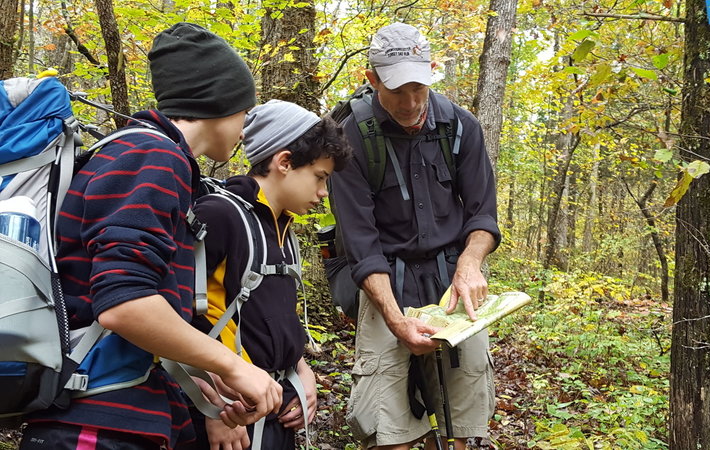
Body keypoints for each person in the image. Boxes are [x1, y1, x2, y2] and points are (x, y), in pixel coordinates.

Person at [20, 23, 283, 450]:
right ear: (215, 101)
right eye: (243, 110)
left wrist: (207, 376)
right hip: (96, 425)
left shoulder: (151, 156)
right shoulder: (154, 156)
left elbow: (137, 317)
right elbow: (124, 306)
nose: (246, 125)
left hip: (116, 416)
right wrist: (235, 367)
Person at [329, 22, 501, 450]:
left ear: (433, 71)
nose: (410, 104)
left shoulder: (461, 127)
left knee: (465, 425)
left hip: (450, 285)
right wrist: (394, 318)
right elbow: (360, 244)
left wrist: (469, 263)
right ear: (371, 80)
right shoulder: (349, 136)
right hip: (384, 282)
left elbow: (483, 216)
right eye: (396, 90)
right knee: (388, 430)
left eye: (418, 89)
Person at [190, 100, 351, 449]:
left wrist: (302, 373)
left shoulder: (285, 230)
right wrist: (211, 406)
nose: (323, 193)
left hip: (275, 407)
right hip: (229, 415)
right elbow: (178, 317)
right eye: (320, 178)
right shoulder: (219, 215)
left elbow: (271, 319)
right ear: (284, 162)